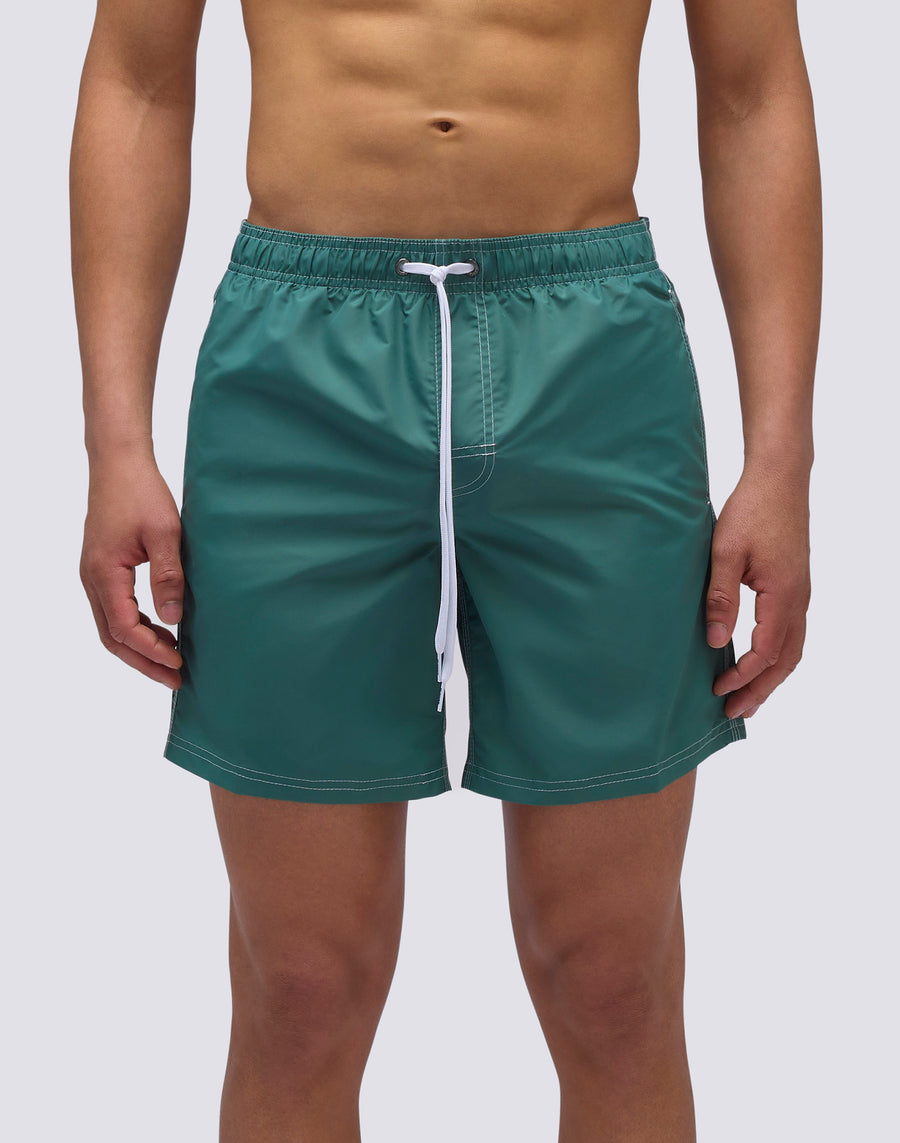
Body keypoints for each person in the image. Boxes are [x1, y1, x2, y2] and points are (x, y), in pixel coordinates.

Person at [71, 0, 819, 1138]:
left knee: (613, 983)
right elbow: (138, 78)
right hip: (296, 372)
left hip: (593, 363)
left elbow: (753, 92)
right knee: (301, 989)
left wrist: (783, 459)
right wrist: (115, 443)